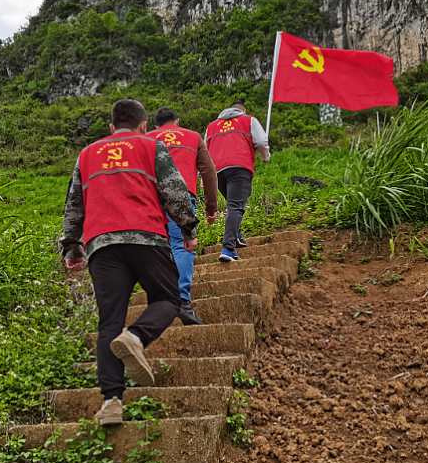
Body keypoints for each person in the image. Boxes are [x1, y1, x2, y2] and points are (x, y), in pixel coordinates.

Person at [60, 99, 198, 425]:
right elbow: (174, 191)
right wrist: (188, 228)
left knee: (109, 322)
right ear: (143, 125)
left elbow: (73, 205)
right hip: (146, 236)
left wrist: (72, 248)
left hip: (101, 245)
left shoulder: (87, 154)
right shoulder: (152, 145)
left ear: (111, 128)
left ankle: (111, 403)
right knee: (168, 298)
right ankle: (136, 337)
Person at [146, 107, 219, 325]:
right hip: (183, 196)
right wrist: (211, 206)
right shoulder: (193, 137)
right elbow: (208, 172)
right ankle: (182, 302)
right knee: (182, 244)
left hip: (150, 198)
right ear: (177, 121)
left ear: (155, 125)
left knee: (157, 248)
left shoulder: (146, 138)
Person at [205, 101, 270, 261]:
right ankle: (228, 248)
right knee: (236, 206)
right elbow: (261, 142)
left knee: (232, 203)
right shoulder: (248, 120)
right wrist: (265, 156)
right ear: (243, 111)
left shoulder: (211, 126)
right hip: (239, 167)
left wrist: (204, 177)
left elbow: (204, 151)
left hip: (216, 171)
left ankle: (237, 235)